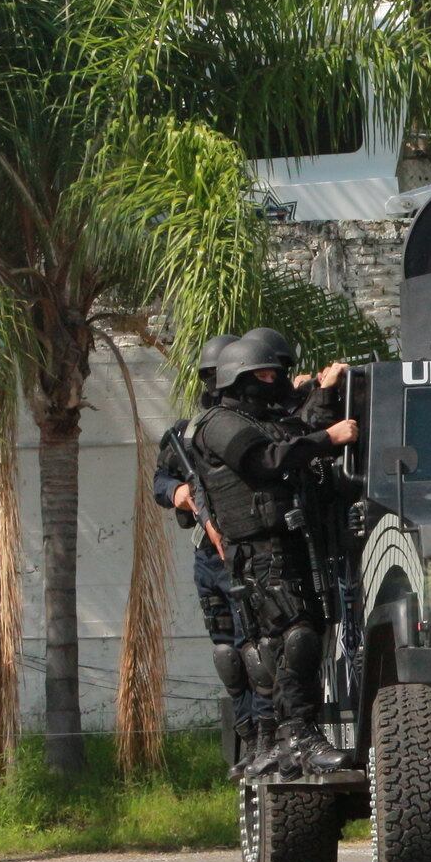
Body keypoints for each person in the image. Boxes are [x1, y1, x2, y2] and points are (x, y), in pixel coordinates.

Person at [191, 337, 359, 779]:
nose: (274, 382)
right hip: (258, 552)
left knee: (303, 636)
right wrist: (328, 437)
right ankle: (296, 736)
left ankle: (291, 738)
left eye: (276, 374)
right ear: (236, 378)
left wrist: (322, 396)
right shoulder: (220, 424)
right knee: (294, 636)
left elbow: (299, 438)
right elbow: (265, 461)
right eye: (263, 375)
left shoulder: (264, 419)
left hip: (290, 544)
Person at [153, 333, 274, 778]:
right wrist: (180, 492)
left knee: (257, 651)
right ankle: (245, 732)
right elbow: (160, 485)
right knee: (227, 652)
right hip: (210, 557)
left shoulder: (252, 430)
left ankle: (266, 732)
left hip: (247, 550)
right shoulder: (184, 436)